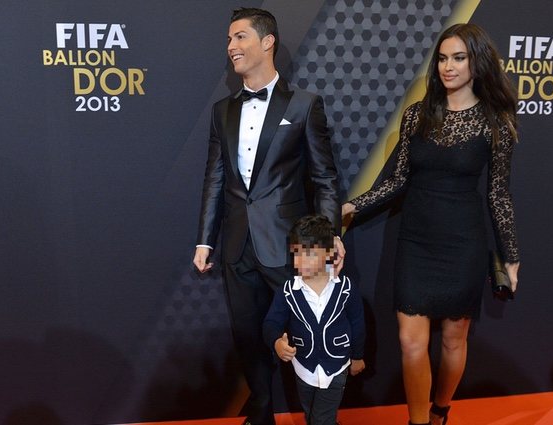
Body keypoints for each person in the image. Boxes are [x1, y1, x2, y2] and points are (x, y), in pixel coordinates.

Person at [342, 24, 520, 425]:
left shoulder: (495, 120)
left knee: (455, 340)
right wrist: (351, 206)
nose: (448, 67)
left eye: (458, 58)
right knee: (409, 342)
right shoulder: (417, 115)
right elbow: (397, 180)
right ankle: (418, 421)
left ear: (477, 61)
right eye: (442, 58)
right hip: (416, 241)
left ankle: (441, 408)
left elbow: (499, 194)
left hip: (463, 243)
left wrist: (511, 257)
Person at [193, 8, 344, 425]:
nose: (231, 47)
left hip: (289, 249)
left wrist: (328, 238)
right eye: (228, 40)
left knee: (307, 336)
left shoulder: (304, 105)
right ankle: (261, 411)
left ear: (267, 41)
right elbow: (215, 177)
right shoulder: (222, 111)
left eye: (239, 37)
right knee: (247, 335)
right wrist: (206, 239)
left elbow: (324, 178)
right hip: (237, 246)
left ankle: (319, 416)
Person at [263, 215, 365, 425]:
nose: (301, 261)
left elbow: (357, 322)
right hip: (304, 367)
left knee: (321, 419)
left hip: (336, 366)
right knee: (310, 414)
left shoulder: (345, 288)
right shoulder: (288, 291)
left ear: (329, 252)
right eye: (297, 254)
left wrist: (357, 356)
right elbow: (271, 322)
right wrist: (276, 342)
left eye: (309, 254)